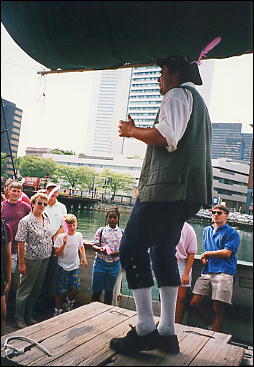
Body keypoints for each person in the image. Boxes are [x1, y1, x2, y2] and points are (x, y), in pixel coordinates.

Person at [110, 55, 213, 355]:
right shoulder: (197, 102)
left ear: (176, 73)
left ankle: (144, 329)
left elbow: (166, 136)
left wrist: (132, 131)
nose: (159, 79)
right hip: (187, 192)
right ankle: (167, 332)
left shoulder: (177, 94)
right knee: (163, 252)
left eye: (162, 73)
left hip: (166, 190)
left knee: (130, 248)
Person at [190, 204, 240, 332]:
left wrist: (207, 254)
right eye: (214, 212)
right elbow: (208, 249)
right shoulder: (207, 230)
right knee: (194, 302)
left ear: (226, 216)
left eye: (219, 213)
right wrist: (204, 257)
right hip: (207, 271)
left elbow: (228, 252)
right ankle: (210, 323)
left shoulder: (232, 232)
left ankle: (215, 336)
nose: (216, 215)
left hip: (224, 272)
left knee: (218, 307)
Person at [15, 193, 52, 328]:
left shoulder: (46, 218)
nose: (42, 206)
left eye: (44, 204)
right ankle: (19, 317)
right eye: (39, 203)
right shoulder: (25, 221)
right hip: (31, 259)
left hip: (45, 258)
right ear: (33, 203)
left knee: (36, 289)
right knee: (25, 289)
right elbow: (20, 242)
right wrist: (22, 263)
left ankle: (28, 315)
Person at [36, 183, 67, 310]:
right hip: (39, 244)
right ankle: (33, 303)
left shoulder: (62, 207)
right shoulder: (41, 205)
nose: (53, 193)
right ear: (46, 191)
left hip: (54, 245)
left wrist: (54, 239)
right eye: (50, 190)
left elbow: (63, 226)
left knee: (49, 274)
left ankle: (41, 304)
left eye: (55, 191)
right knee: (38, 274)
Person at [1, 181, 31, 305]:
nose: (16, 193)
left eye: (19, 191)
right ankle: (5, 306)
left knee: (19, 281)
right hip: (8, 249)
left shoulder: (25, 207)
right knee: (8, 280)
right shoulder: (2, 206)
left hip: (21, 248)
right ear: (8, 191)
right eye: (14, 190)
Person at [53, 214, 88, 316]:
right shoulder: (60, 237)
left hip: (74, 267)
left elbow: (81, 246)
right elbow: (57, 253)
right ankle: (57, 310)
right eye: (69, 226)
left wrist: (84, 258)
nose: (72, 228)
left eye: (74, 225)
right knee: (59, 291)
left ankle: (68, 303)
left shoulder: (79, 235)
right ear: (65, 226)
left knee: (76, 289)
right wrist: (64, 244)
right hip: (62, 267)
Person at [91, 208, 123, 305]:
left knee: (109, 292)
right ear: (107, 218)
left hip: (115, 265)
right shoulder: (101, 231)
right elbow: (94, 245)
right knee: (96, 291)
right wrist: (100, 249)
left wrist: (117, 253)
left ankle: (105, 314)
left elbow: (125, 249)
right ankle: (92, 311)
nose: (112, 219)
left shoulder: (122, 233)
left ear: (118, 219)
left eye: (114, 217)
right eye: (110, 217)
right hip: (100, 263)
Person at [175, 222, 197, 324]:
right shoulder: (166, 224)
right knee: (165, 296)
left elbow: (191, 254)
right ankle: (165, 323)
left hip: (182, 264)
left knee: (180, 299)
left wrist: (186, 273)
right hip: (167, 263)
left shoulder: (189, 229)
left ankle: (177, 323)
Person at [1, 215, 12, 336]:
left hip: (1, 275)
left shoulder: (6, 227)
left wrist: (8, 280)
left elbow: (8, 255)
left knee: (2, 314)